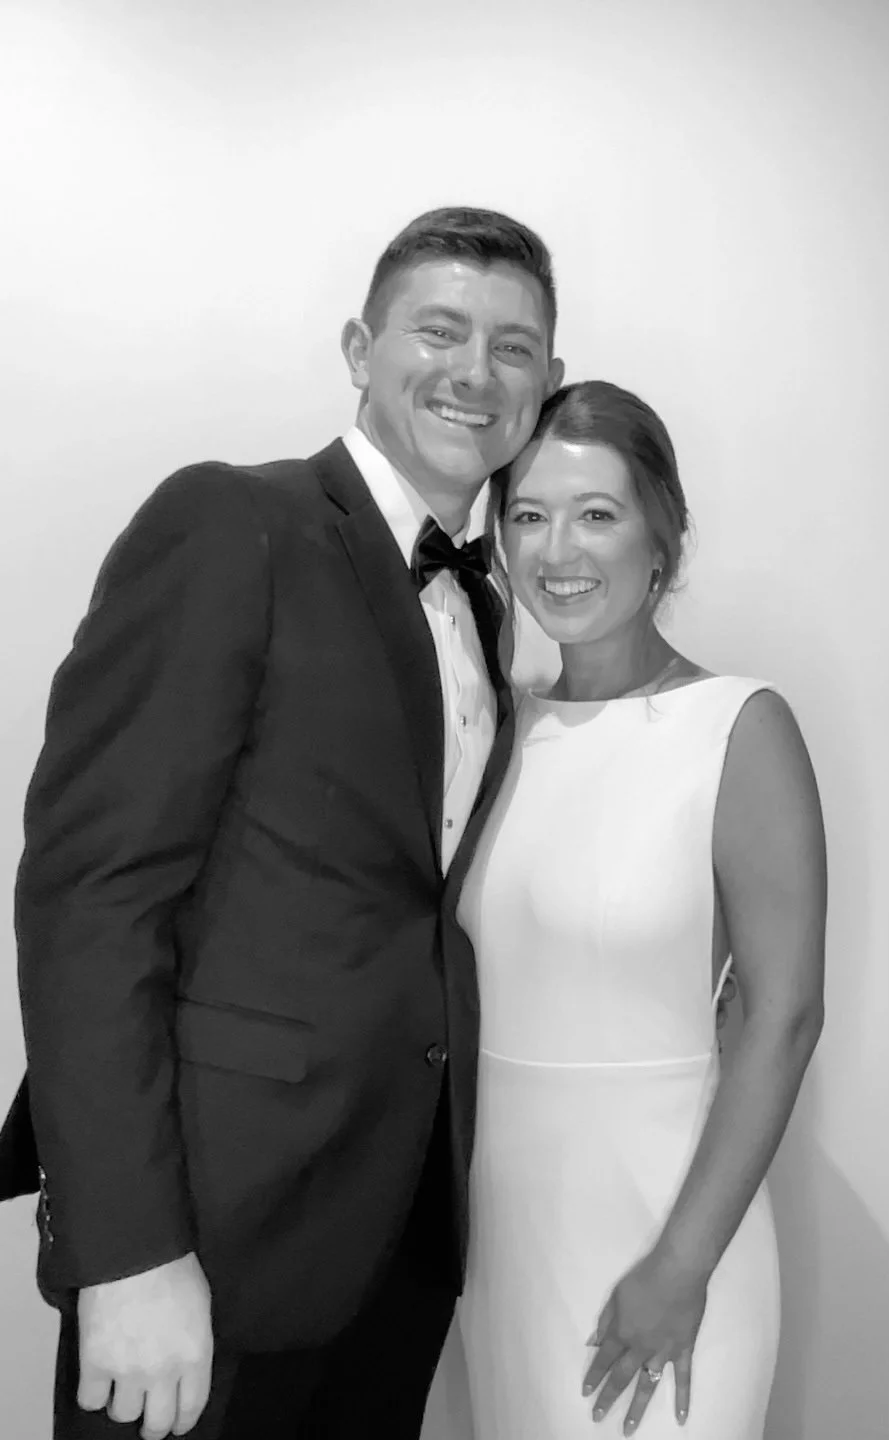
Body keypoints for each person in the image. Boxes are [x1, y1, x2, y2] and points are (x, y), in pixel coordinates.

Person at [0, 206, 565, 1440]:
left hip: (399, 1235)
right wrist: (127, 1252)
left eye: (514, 348)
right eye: (439, 329)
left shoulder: (494, 604)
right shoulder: (229, 524)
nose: (476, 372)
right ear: (360, 348)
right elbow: (92, 895)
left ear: (548, 385)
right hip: (209, 1235)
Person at [454, 380, 827, 1438]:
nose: (556, 549)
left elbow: (782, 1014)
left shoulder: (738, 727)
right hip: (506, 1238)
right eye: (527, 515)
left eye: (597, 513)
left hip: (667, 1230)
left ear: (662, 535)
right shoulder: (491, 727)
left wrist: (680, 1265)